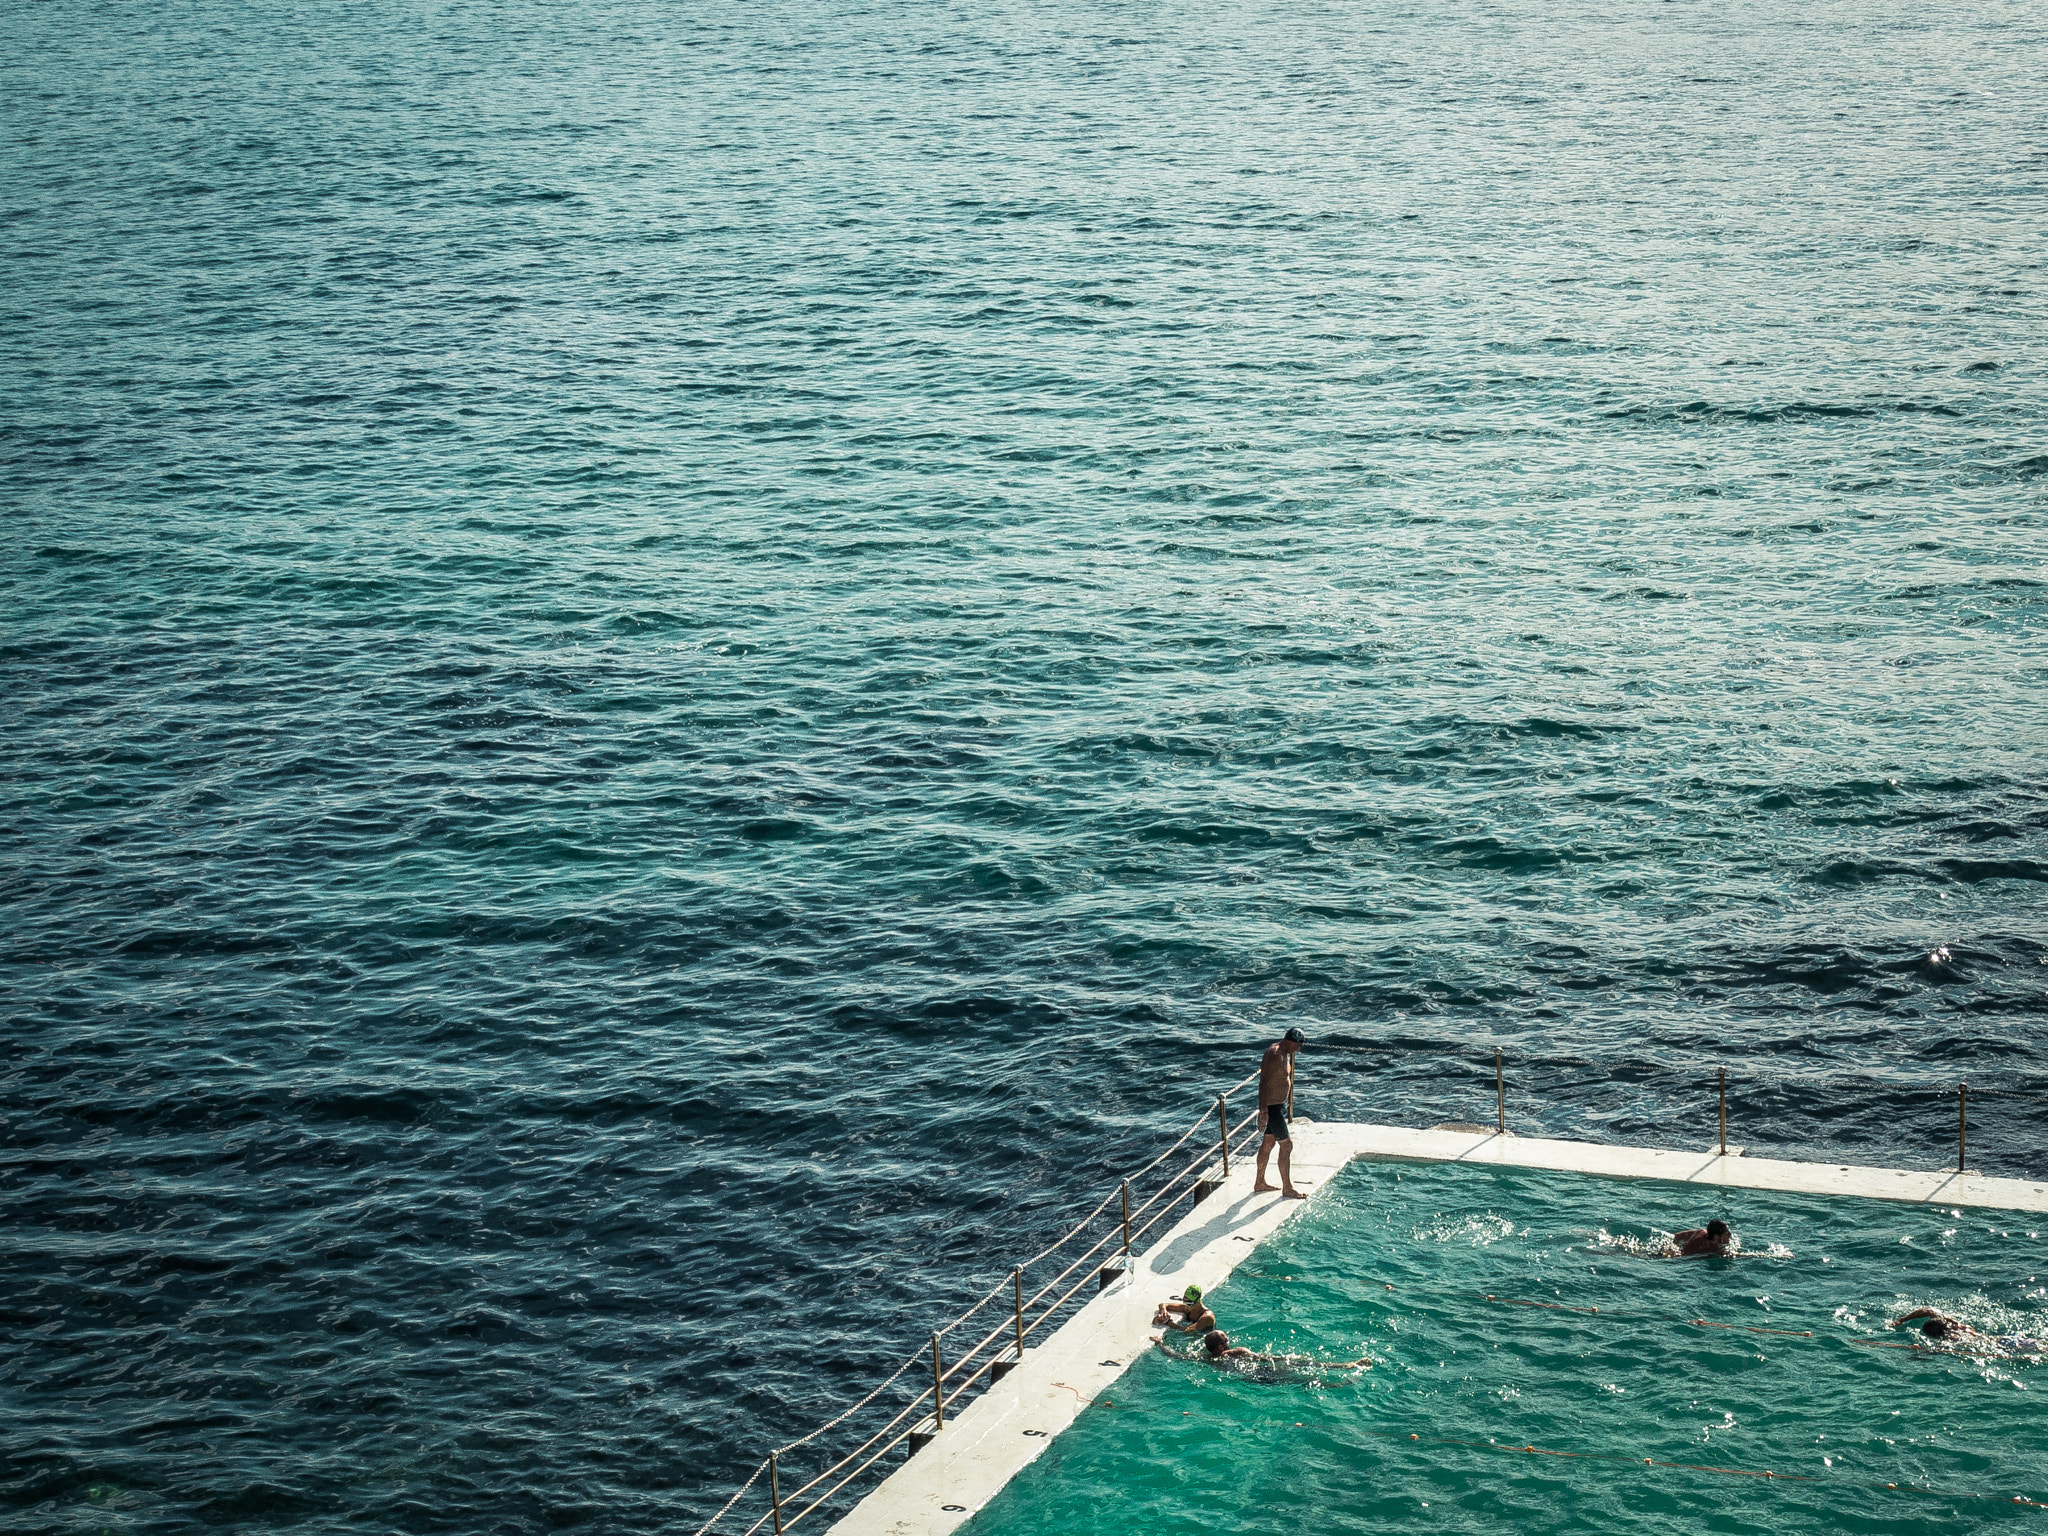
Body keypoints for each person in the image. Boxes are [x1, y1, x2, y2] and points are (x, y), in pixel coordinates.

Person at [1151, 1328, 1370, 1372]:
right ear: (1221, 1346)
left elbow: (1176, 1356)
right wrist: (1286, 1357)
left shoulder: (1205, 1359)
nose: (1230, 1342)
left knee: (1300, 1381)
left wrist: (1161, 1343)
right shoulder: (1237, 1352)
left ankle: (1340, 1374)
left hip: (1249, 1380)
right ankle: (1346, 1366)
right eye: (1227, 1340)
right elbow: (1266, 1358)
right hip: (1263, 1371)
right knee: (1301, 1364)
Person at [1253, 1028, 1308, 1199]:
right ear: (1290, 1042)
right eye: (1297, 1046)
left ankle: (1259, 1182)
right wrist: (1263, 1111)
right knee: (1287, 1145)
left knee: (1268, 1143)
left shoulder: (1285, 1053)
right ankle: (1288, 1188)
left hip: (1278, 1106)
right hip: (1273, 1108)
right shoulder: (1274, 1054)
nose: (1298, 1050)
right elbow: (1263, 1084)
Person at [1888, 1308, 2044, 1355]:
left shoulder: (1949, 1338)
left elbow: (1935, 1351)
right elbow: (1928, 1309)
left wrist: (1920, 1351)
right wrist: (1901, 1319)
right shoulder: (1956, 1325)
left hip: (2003, 1348)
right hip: (2005, 1339)